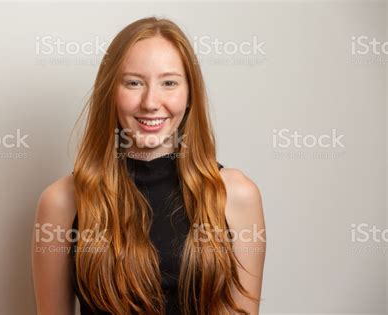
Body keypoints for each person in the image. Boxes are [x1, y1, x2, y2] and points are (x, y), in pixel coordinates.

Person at [31, 16, 266, 315]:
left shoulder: (237, 194)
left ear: (190, 93)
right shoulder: (62, 201)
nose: (151, 102)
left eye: (169, 82)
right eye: (133, 83)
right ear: (110, 92)